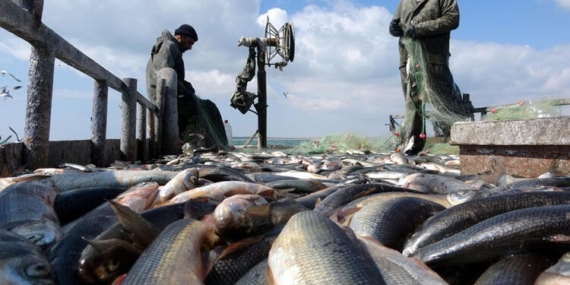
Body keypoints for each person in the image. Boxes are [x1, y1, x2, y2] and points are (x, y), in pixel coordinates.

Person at [389, 0, 472, 156]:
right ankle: (413, 143)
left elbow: (452, 19)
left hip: (433, 57)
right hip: (407, 58)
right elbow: (397, 23)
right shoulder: (404, 2)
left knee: (442, 101)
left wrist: (420, 29)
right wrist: (393, 28)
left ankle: (455, 143)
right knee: (412, 102)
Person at [146, 24, 228, 151]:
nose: (190, 47)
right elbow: (164, 76)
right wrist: (186, 92)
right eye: (189, 42)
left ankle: (196, 144)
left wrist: (185, 85)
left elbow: (173, 78)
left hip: (170, 96)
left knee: (202, 106)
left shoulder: (173, 47)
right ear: (180, 37)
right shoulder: (168, 46)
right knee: (209, 108)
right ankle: (219, 146)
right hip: (163, 99)